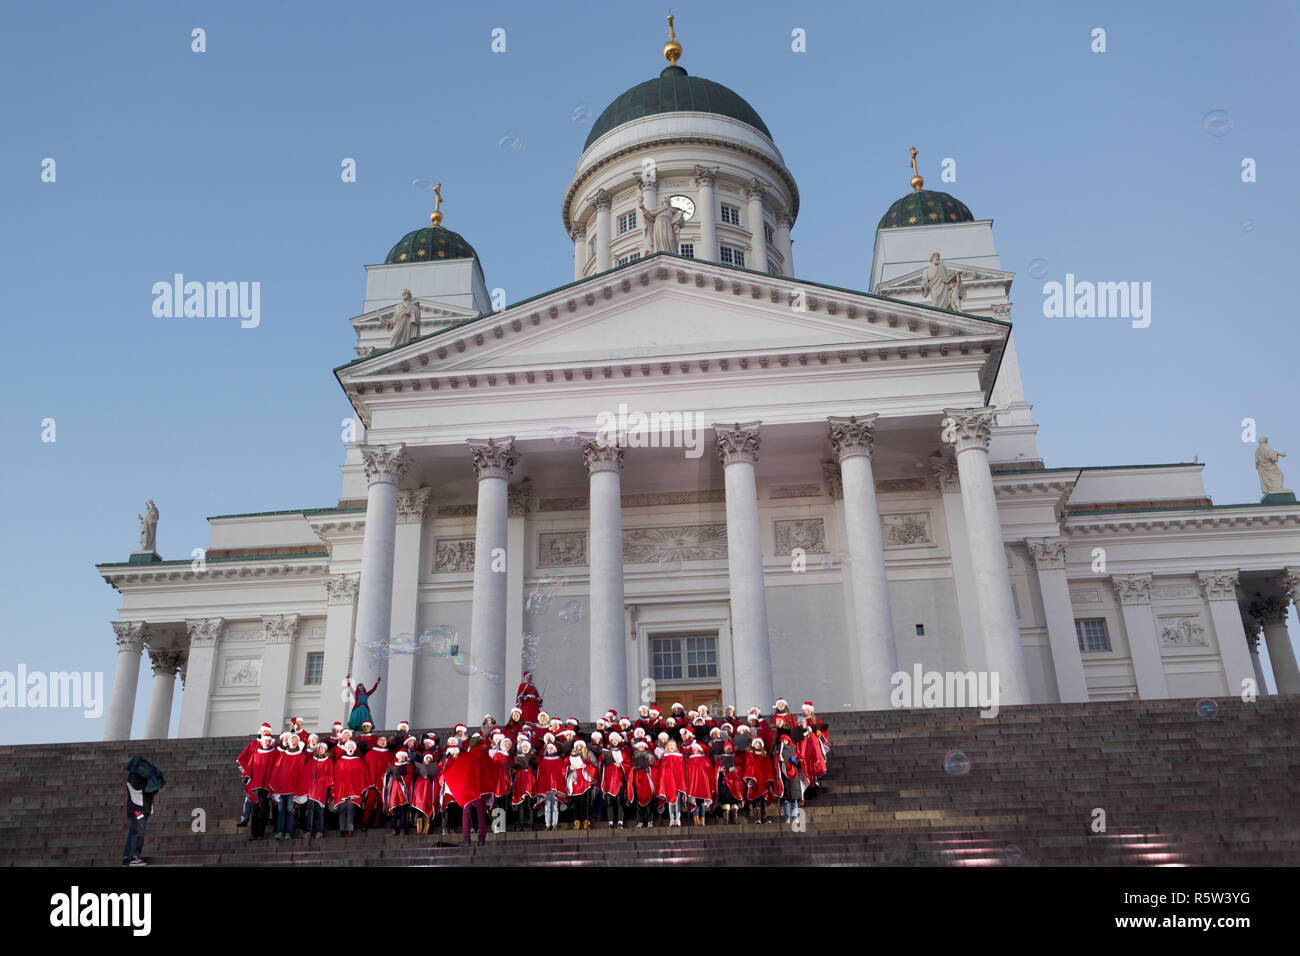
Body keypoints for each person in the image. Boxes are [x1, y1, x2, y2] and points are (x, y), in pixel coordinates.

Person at [121, 755, 163, 865]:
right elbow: (142, 789)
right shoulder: (135, 776)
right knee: (138, 832)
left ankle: (127, 856)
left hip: (139, 808)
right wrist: (152, 782)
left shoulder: (136, 776)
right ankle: (134, 857)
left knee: (133, 831)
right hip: (138, 808)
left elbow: (149, 790)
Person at [269, 733, 307, 840]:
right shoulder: (283, 755)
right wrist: (274, 786)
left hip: (292, 788)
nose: (293, 742)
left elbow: (302, 773)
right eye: (292, 740)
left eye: (295, 740)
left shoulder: (301, 755)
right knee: (281, 811)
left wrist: (299, 788)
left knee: (290, 811)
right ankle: (280, 831)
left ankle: (288, 832)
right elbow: (277, 770)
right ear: (288, 742)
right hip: (281, 788)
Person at [243, 732, 280, 840]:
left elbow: (276, 769)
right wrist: (247, 777)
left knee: (264, 809)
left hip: (267, 785)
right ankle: (253, 833)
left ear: (271, 742)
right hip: (256, 785)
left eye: (269, 740)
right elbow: (249, 767)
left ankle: (260, 833)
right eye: (265, 740)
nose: (267, 742)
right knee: (255, 809)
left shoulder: (274, 754)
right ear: (262, 741)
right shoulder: (255, 754)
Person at [331, 740, 368, 837]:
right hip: (342, 790)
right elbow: (335, 776)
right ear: (346, 748)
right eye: (348, 746)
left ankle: (349, 830)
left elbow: (364, 776)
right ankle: (342, 830)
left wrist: (364, 789)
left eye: (352, 747)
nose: (350, 748)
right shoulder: (339, 761)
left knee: (351, 809)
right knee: (342, 809)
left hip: (354, 790)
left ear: (355, 748)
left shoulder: (359, 761)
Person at [301, 742, 334, 839]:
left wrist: (323, 781)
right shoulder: (312, 761)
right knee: (310, 811)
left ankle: (319, 831)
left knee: (320, 811)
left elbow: (330, 776)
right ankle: (308, 831)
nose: (320, 749)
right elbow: (305, 774)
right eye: (319, 748)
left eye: (322, 748)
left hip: (322, 790)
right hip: (311, 790)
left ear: (325, 750)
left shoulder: (328, 761)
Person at [599, 731, 629, 829]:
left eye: (616, 739)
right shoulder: (607, 751)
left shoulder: (623, 752)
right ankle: (610, 822)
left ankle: (620, 821)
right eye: (613, 740)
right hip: (608, 779)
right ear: (611, 740)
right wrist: (603, 762)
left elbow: (628, 764)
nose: (615, 741)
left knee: (620, 801)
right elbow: (600, 762)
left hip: (619, 779)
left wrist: (621, 765)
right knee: (609, 802)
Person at [656, 738, 688, 828]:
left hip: (677, 782)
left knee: (677, 801)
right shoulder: (665, 757)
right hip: (668, 782)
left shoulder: (679, 757)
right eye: (669, 745)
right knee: (670, 801)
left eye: (673, 745)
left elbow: (682, 770)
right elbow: (662, 771)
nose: (671, 747)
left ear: (676, 747)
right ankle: (672, 819)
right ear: (667, 747)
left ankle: (678, 819)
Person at [536, 741, 567, 831]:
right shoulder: (544, 760)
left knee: (554, 807)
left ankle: (554, 824)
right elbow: (541, 774)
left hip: (555, 787)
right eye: (548, 748)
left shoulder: (559, 760)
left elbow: (562, 773)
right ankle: (548, 824)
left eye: (551, 748)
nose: (549, 750)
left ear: (554, 749)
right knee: (547, 806)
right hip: (546, 787)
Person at [567, 739, 597, 830]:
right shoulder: (571, 755)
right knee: (576, 803)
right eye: (577, 745)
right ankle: (576, 821)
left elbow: (594, 766)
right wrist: (570, 768)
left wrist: (587, 766)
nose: (579, 747)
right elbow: (565, 766)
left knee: (585, 803)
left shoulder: (587, 754)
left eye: (580, 745)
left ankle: (586, 821)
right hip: (575, 781)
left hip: (584, 780)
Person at [685, 739, 715, 826]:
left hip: (702, 785)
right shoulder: (689, 760)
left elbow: (708, 771)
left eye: (695, 748)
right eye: (693, 748)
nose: (693, 749)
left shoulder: (705, 759)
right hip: (693, 785)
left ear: (699, 749)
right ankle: (696, 820)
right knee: (694, 803)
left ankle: (702, 820)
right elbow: (688, 772)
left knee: (701, 803)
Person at [383, 750, 413, 836]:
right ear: (398, 757)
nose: (402, 758)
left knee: (403, 811)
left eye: (403, 756)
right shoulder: (394, 766)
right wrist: (387, 774)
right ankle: (394, 829)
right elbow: (385, 778)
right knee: (394, 811)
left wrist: (400, 777)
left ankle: (402, 829)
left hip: (403, 791)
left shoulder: (408, 766)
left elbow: (409, 777)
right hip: (393, 792)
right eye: (400, 756)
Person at [409, 752, 439, 835]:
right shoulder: (419, 768)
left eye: (430, 758)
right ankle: (418, 829)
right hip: (420, 792)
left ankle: (426, 830)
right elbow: (415, 779)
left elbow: (436, 781)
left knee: (428, 810)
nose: (429, 760)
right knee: (419, 810)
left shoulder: (434, 768)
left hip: (429, 793)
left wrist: (431, 779)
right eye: (427, 758)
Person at [512, 738, 538, 829]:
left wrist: (533, 766)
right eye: (523, 746)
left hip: (529, 783)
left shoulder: (532, 757)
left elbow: (535, 770)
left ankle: (529, 824)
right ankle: (521, 823)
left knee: (529, 804)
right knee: (521, 805)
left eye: (526, 746)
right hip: (520, 782)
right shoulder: (517, 757)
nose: (525, 748)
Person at [630, 741, 657, 828]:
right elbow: (630, 768)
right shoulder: (634, 757)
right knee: (638, 802)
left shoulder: (650, 756)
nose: (641, 748)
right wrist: (634, 768)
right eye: (639, 746)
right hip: (638, 780)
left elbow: (655, 766)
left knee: (649, 801)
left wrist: (648, 768)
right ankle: (640, 821)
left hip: (647, 780)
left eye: (642, 746)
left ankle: (650, 821)